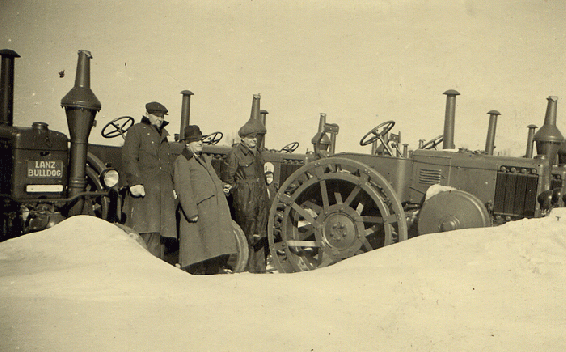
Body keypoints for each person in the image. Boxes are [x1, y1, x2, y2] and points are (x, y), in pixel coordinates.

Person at [173, 125, 237, 274]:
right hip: (199, 212)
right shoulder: (182, 161)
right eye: (195, 140)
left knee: (212, 248)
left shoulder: (202, 159)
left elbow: (212, 179)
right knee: (198, 251)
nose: (200, 143)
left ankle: (211, 272)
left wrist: (222, 186)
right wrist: (191, 212)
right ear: (187, 143)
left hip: (211, 211)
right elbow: (183, 188)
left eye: (201, 140)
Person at [122, 101, 177, 260]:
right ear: (147, 115)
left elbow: (167, 164)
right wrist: (135, 182)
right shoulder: (136, 131)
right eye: (156, 116)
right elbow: (129, 158)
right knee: (145, 230)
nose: (160, 119)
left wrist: (171, 186)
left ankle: (156, 269)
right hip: (146, 190)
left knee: (160, 233)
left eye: (162, 116)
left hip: (162, 191)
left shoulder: (163, 136)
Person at [222, 118, 270, 273]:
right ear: (242, 138)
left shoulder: (257, 154)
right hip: (245, 200)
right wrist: (241, 191)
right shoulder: (235, 154)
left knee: (260, 233)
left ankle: (259, 269)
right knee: (247, 233)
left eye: (255, 138)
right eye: (250, 138)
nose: (253, 141)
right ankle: (247, 269)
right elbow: (228, 179)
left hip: (259, 198)